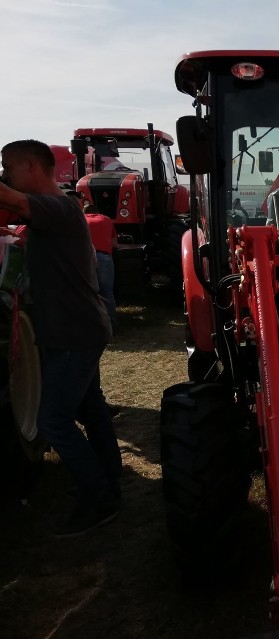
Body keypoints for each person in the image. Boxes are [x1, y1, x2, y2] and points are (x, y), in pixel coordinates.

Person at [0, 139, 121, 538]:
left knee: (52, 419)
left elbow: (13, 202)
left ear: (32, 166)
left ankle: (98, 499)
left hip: (74, 333)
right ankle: (109, 484)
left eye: (8, 167)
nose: (5, 174)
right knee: (90, 411)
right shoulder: (55, 214)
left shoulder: (58, 207)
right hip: (78, 329)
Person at [83, 203, 118, 332]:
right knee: (107, 292)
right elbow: (114, 243)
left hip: (87, 258)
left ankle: (91, 327)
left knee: (88, 292)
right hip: (105, 257)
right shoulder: (106, 219)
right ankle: (112, 326)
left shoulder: (81, 220)